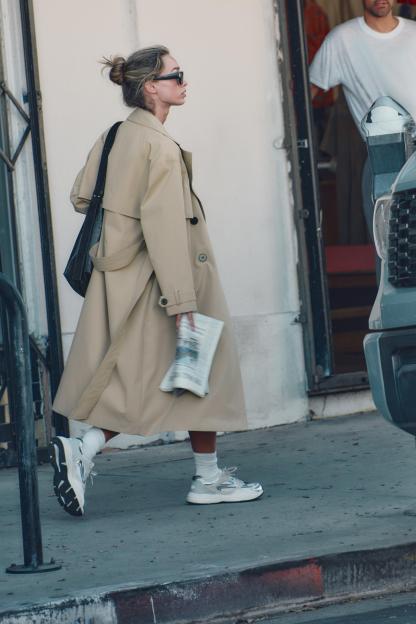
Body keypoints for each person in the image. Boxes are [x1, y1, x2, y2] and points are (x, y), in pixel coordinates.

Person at [50, 46, 263, 516]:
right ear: (151, 87)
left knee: (169, 379)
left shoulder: (115, 135)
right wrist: (184, 303)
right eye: (176, 75)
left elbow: (81, 196)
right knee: (193, 372)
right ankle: (95, 451)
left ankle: (195, 473)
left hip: (127, 280)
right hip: (167, 282)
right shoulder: (160, 148)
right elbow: (165, 231)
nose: (184, 82)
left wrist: (123, 213)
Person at [309, 0, 416, 247]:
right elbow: (306, 95)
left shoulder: (413, 33)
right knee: (389, 246)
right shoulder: (342, 40)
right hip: (384, 156)